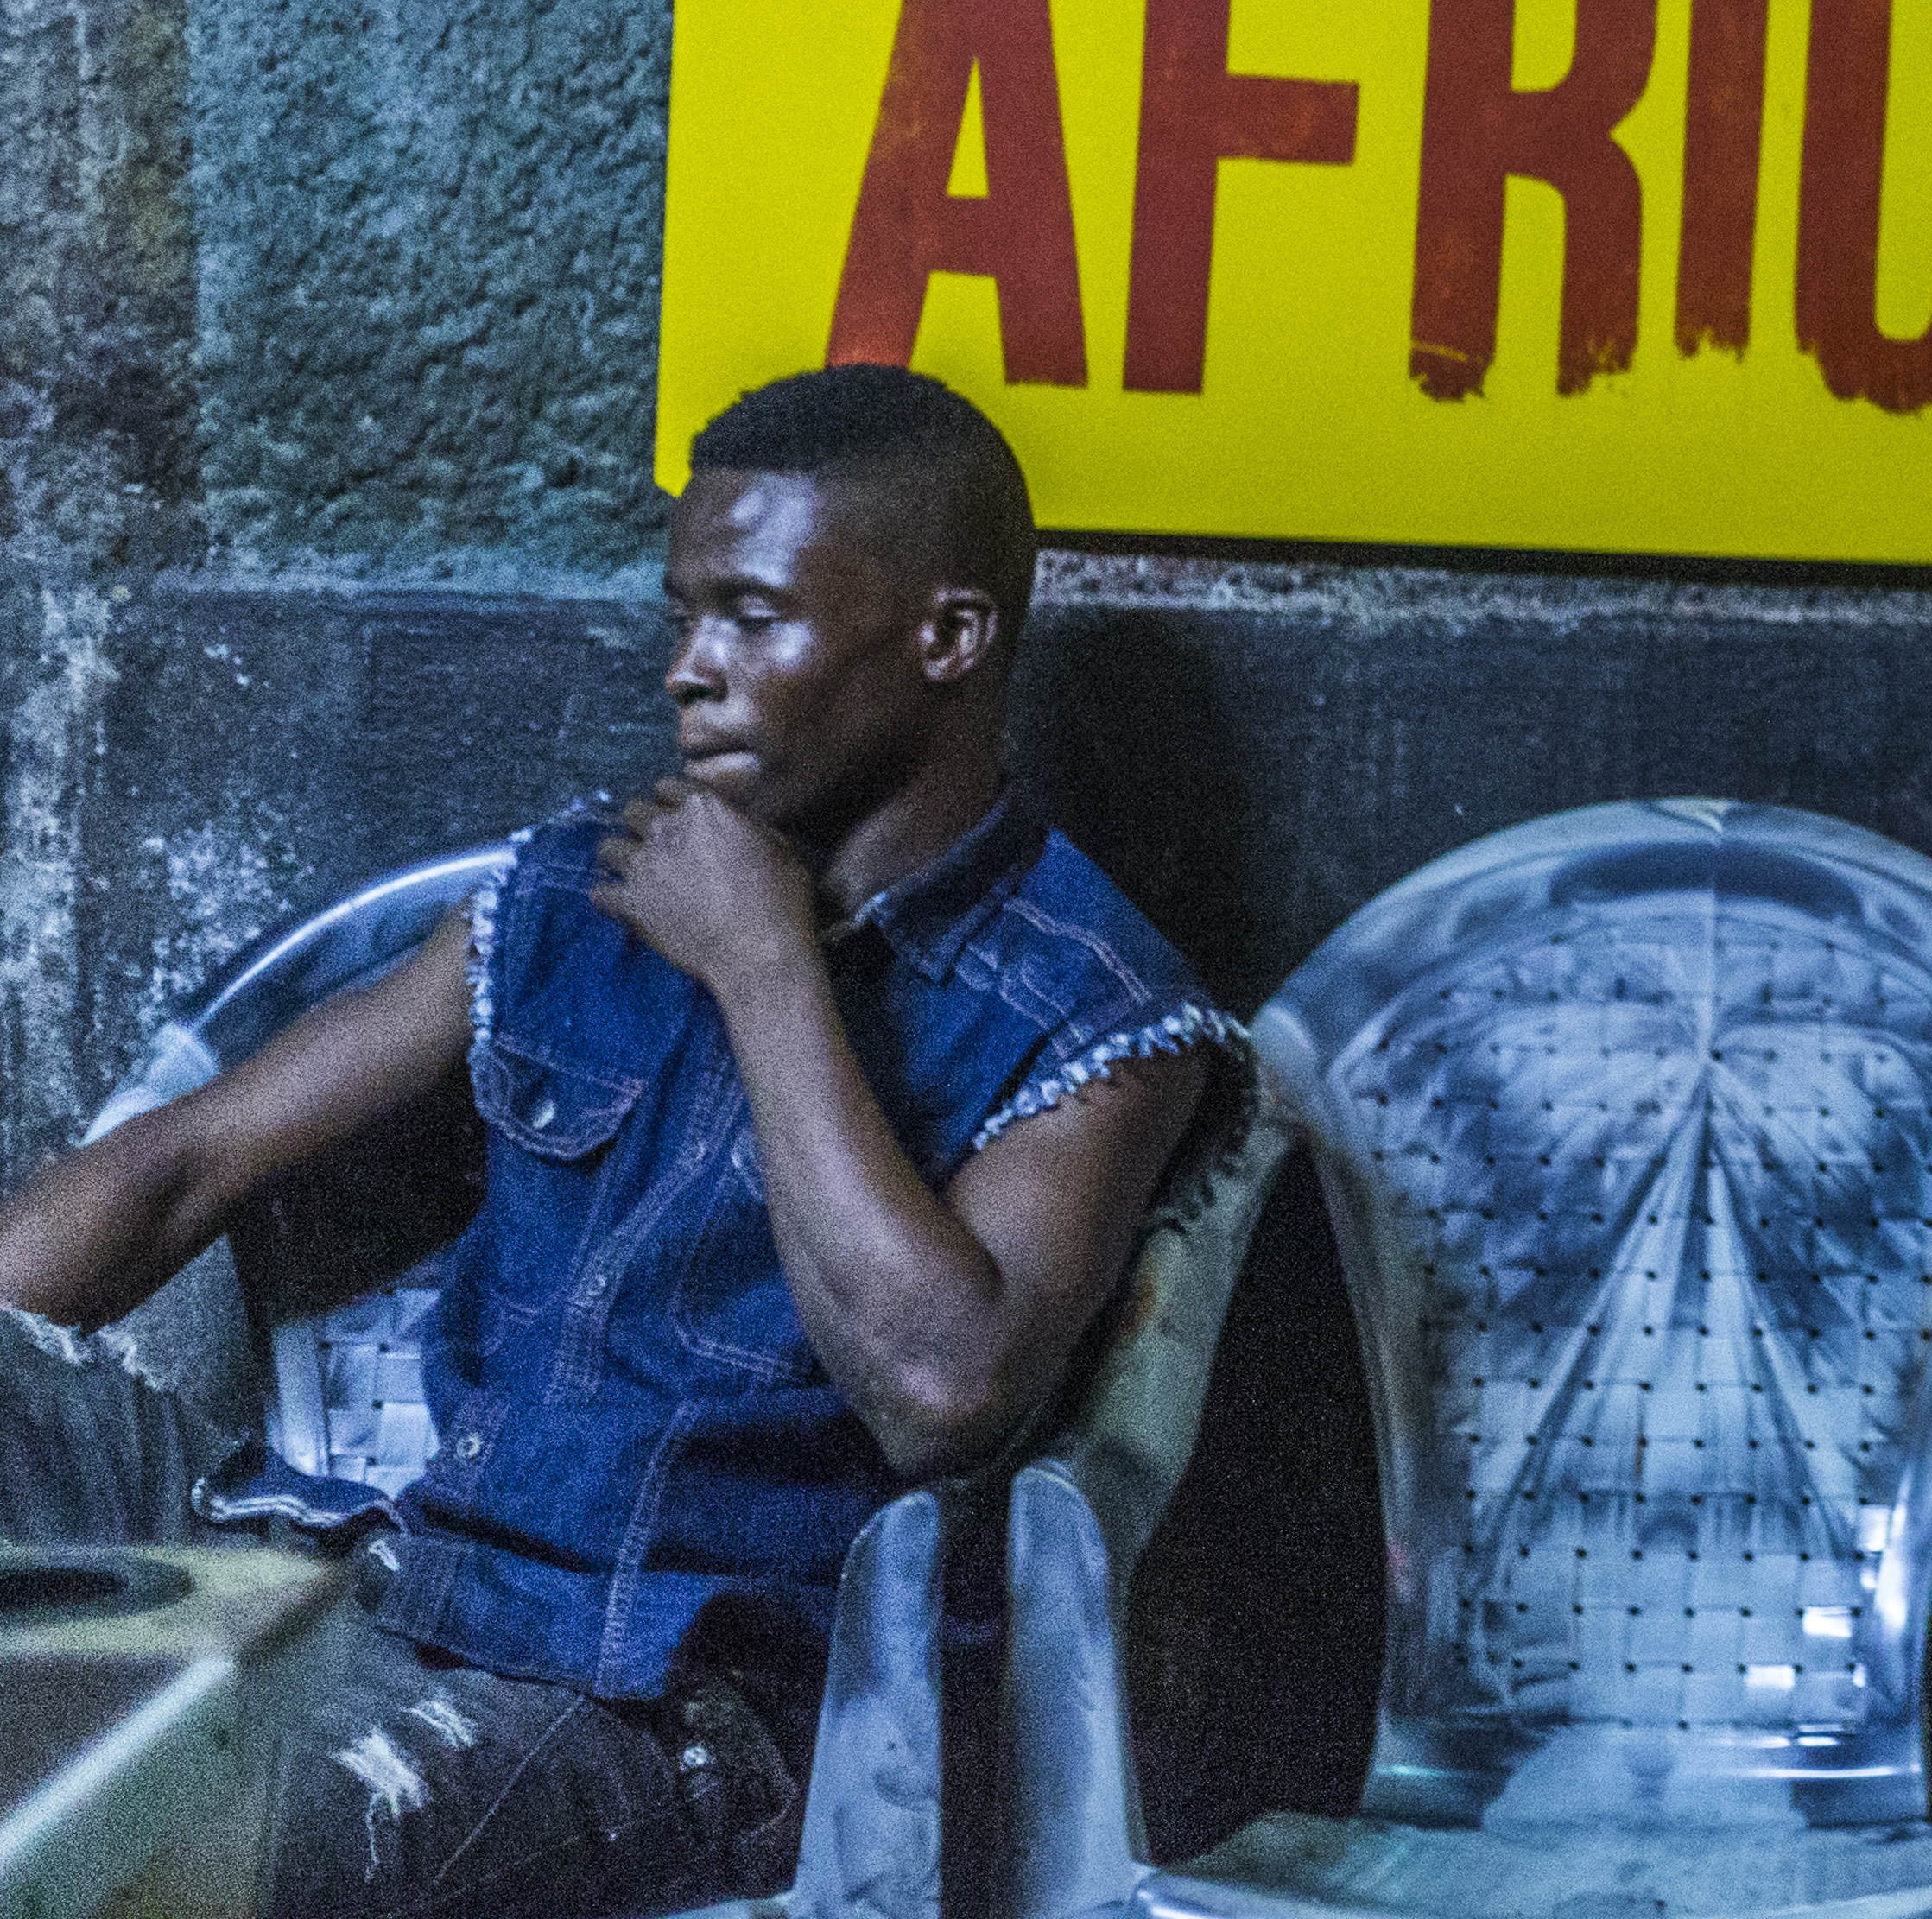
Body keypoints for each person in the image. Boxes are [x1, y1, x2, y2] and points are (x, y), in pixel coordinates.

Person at [0, 364, 1226, 1917]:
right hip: (385, 1577)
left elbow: (941, 1390)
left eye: (754, 618)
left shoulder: (1093, 1012)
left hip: (663, 1722)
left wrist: (767, 964)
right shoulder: (583, 885)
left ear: (948, 638)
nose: (692, 673)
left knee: (165, 1830)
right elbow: (186, 1164)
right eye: (681, 617)